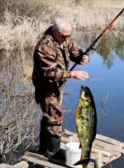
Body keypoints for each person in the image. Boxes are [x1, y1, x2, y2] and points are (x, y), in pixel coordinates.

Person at [32, 17, 90, 159]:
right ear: (54, 31)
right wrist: (72, 74)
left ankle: (43, 150)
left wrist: (81, 56)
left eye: (68, 35)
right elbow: (50, 72)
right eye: (64, 35)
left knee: (49, 117)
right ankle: (54, 153)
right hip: (46, 87)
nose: (66, 38)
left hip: (57, 86)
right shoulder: (44, 46)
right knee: (54, 118)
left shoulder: (65, 38)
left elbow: (73, 50)